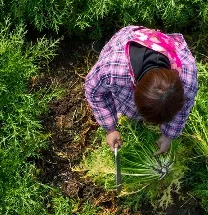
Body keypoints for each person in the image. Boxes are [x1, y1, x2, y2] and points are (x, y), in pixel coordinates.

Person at [84, 26, 199, 154]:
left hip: (158, 45)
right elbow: (93, 91)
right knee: (107, 54)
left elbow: (184, 108)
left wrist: (168, 136)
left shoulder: (187, 80)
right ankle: (104, 43)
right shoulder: (113, 71)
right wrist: (110, 128)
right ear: (135, 90)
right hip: (126, 40)